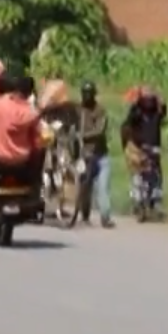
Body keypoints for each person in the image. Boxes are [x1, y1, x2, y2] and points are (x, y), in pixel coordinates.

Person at [121, 88, 168, 219]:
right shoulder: (137, 114)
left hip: (154, 149)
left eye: (150, 100)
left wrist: (160, 99)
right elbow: (130, 119)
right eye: (146, 100)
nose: (149, 103)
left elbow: (163, 111)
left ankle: (155, 201)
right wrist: (135, 103)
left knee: (156, 176)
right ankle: (137, 201)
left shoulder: (156, 115)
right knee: (138, 176)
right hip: (138, 148)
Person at [75, 82, 114, 228]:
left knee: (103, 188)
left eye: (90, 93)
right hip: (84, 155)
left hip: (100, 155)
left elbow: (100, 130)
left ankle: (105, 217)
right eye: (85, 93)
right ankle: (85, 216)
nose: (87, 96)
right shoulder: (77, 110)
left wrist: (82, 136)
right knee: (85, 188)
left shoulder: (100, 110)